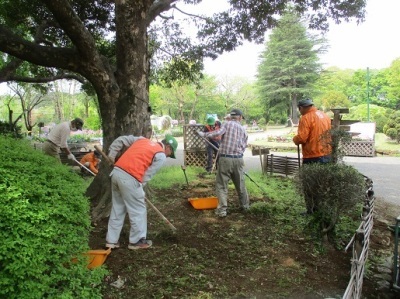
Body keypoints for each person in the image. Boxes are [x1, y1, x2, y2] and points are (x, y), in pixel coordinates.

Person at [105, 134, 178, 250]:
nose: (169, 156)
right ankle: (136, 241)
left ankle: (111, 241)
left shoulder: (142, 140)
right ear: (168, 147)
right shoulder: (161, 155)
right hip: (130, 178)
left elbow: (121, 139)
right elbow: (147, 175)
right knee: (138, 210)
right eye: (171, 153)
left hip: (116, 173)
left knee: (118, 208)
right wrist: (138, 189)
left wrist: (112, 154)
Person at [197, 109, 249, 217]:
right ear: (239, 117)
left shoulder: (227, 124)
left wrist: (203, 134)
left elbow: (217, 133)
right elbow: (244, 146)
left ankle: (222, 210)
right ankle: (245, 206)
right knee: (240, 184)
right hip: (239, 159)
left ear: (231, 116)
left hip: (226, 159)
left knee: (221, 184)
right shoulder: (243, 129)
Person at [293, 98, 332, 164]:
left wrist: (295, 139)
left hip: (313, 155)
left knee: (310, 174)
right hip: (327, 153)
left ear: (301, 107)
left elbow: (302, 138)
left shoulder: (305, 118)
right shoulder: (324, 116)